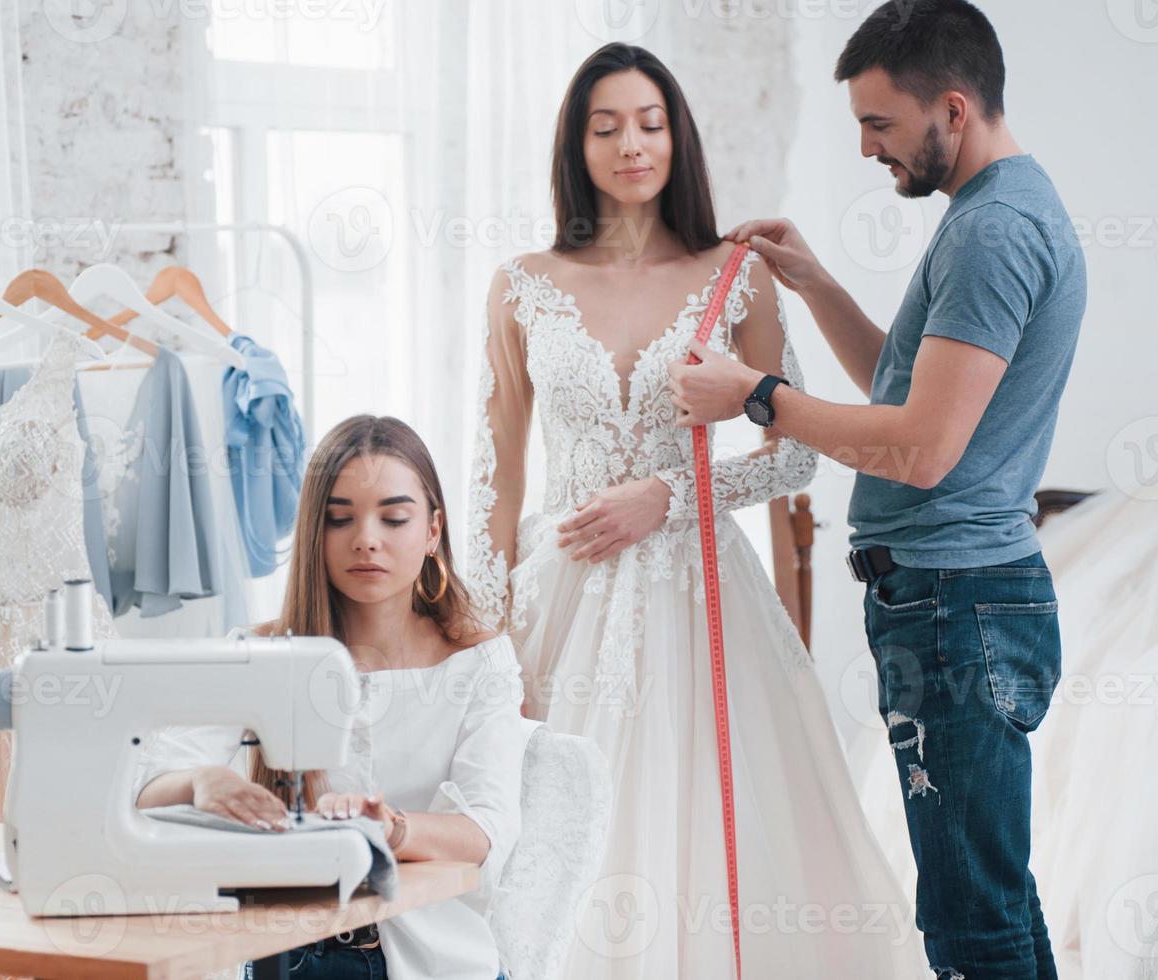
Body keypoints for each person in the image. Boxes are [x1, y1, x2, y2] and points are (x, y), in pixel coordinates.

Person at [467, 41, 925, 978]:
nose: (630, 144)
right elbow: (494, 474)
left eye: (649, 122)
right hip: (558, 597)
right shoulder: (520, 284)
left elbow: (793, 450)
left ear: (676, 135)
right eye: (605, 127)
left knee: (716, 832)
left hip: (701, 597)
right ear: (575, 144)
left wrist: (668, 495)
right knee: (553, 839)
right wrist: (483, 636)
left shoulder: (736, 275)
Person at [669, 3, 1086, 977]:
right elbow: (905, 389)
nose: (864, 148)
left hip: (956, 604)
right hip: (954, 601)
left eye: (879, 124)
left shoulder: (993, 234)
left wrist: (760, 396)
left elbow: (921, 450)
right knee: (991, 898)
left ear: (952, 107)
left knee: (968, 917)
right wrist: (816, 283)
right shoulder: (990, 215)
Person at [136, 415, 524, 980]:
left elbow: (487, 831)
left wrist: (391, 829)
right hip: (290, 955)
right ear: (315, 532)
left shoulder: (479, 663)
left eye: (394, 518)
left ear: (434, 529)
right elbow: (147, 785)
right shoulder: (260, 653)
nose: (367, 538)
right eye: (340, 519)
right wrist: (198, 782)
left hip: (437, 961)